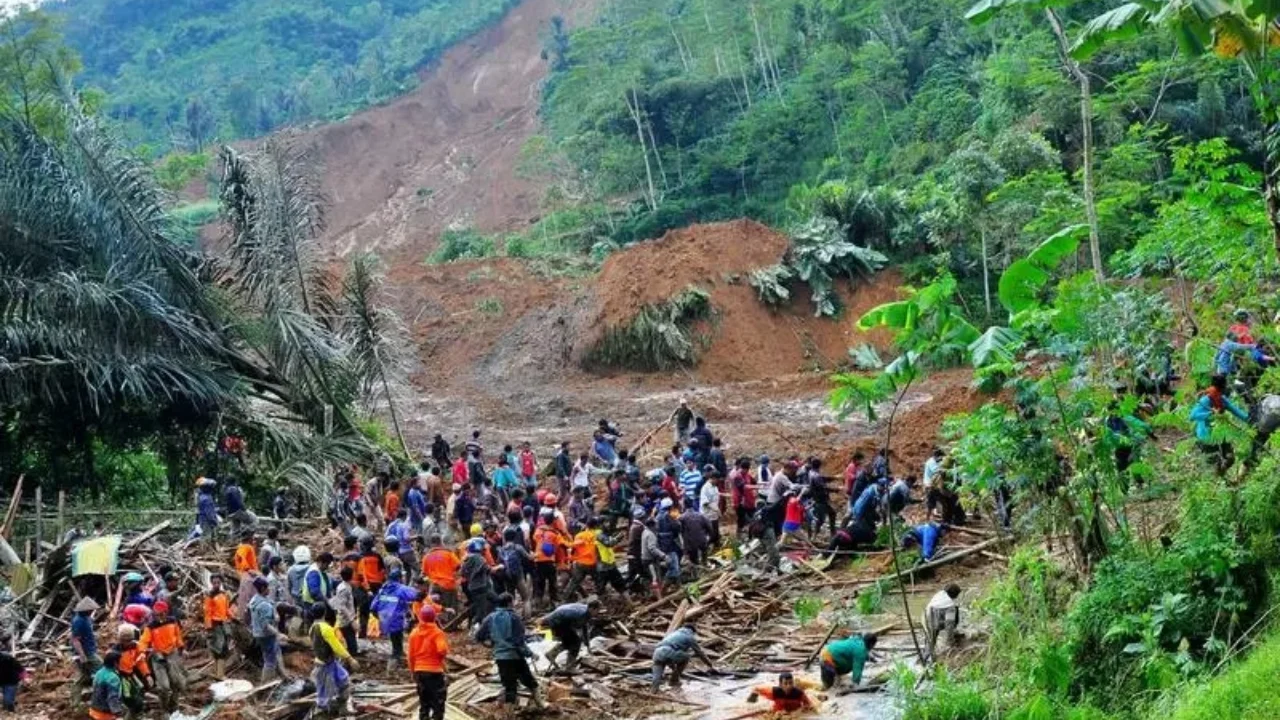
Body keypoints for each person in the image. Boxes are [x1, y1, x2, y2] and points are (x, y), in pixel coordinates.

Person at [477, 594, 543, 710]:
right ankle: (541, 706)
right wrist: (531, 654)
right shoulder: (514, 617)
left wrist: (490, 644)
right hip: (515, 656)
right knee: (530, 681)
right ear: (509, 603)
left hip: (501, 658)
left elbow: (478, 636)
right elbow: (519, 642)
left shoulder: (490, 618)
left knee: (509, 686)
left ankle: (509, 712)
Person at [1191, 373, 1250, 473]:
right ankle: (1217, 480)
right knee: (1214, 464)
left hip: (1221, 434)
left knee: (1230, 458)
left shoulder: (1222, 400)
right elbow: (1193, 416)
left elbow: (1236, 411)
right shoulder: (1206, 400)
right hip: (1207, 436)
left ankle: (1222, 476)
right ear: (1222, 387)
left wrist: (1250, 420)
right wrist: (1211, 412)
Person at [309, 603, 358, 718]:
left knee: (343, 679)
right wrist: (350, 659)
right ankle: (322, 714)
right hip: (325, 664)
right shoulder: (326, 628)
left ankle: (342, 707)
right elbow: (336, 646)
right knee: (324, 693)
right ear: (325, 613)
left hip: (329, 662)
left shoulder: (312, 627)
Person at [140, 599, 186, 712]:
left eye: (162, 614)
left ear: (166, 612)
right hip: (158, 657)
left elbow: (178, 635)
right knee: (164, 687)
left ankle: (174, 707)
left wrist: (181, 648)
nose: (159, 616)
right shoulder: (151, 627)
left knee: (176, 683)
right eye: (157, 614)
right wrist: (142, 652)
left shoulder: (173, 621)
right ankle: (164, 708)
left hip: (172, 654)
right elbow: (144, 641)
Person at [371, 568, 419, 670]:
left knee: (395, 640)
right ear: (399, 578)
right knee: (396, 643)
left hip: (385, 620)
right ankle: (392, 666)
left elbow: (373, 607)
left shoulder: (383, 589)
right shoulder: (401, 589)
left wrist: (380, 618)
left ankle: (398, 656)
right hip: (396, 620)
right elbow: (416, 596)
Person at [408, 606, 449, 720]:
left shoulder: (414, 633)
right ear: (434, 617)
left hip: (419, 671)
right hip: (434, 672)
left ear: (420, 617)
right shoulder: (437, 633)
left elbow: (410, 656)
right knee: (438, 703)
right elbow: (442, 650)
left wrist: (413, 672)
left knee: (424, 703)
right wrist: (440, 660)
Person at [650, 622, 715, 691]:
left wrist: (674, 668)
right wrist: (710, 664)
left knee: (657, 675)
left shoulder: (674, 633)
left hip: (657, 653)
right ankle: (673, 681)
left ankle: (653, 690)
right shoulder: (689, 636)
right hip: (669, 652)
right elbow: (699, 652)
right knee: (686, 657)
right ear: (692, 631)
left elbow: (668, 656)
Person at [541, 600, 594, 673]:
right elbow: (566, 619)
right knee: (576, 642)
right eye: (597, 610)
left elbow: (584, 628)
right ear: (592, 608)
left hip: (559, 620)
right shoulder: (581, 614)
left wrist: (587, 645)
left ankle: (551, 654)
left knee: (570, 641)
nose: (598, 613)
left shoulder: (587, 612)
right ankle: (569, 667)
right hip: (557, 621)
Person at [249, 576, 285, 682]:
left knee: (276, 652)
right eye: (267, 587)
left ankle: (284, 675)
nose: (269, 589)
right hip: (266, 635)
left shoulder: (255, 599)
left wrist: (275, 613)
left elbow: (271, 605)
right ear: (263, 588)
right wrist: (278, 634)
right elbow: (266, 625)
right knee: (270, 660)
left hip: (258, 632)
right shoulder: (263, 605)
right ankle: (265, 684)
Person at [69, 596, 102, 708]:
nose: (93, 611)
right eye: (91, 610)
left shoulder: (86, 618)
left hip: (90, 649)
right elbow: (75, 640)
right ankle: (98, 699)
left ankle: (75, 703)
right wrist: (82, 655)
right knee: (101, 670)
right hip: (86, 652)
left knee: (83, 676)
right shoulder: (78, 621)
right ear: (86, 610)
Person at [460, 539, 497, 627]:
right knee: (482, 611)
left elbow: (462, 573)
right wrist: (499, 567)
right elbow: (489, 570)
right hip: (480, 587)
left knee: (494, 600)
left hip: (473, 587)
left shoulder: (466, 558)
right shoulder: (479, 558)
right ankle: (476, 628)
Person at [422, 535, 462, 614]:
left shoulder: (426, 557)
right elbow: (458, 566)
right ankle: (452, 624)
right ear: (441, 542)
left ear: (431, 544)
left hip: (433, 586)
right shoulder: (448, 553)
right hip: (448, 585)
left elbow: (424, 573)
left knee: (435, 610)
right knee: (451, 609)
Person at [531, 513, 564, 608]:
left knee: (540, 582)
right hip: (549, 560)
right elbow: (557, 548)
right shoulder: (555, 533)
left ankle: (538, 604)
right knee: (552, 581)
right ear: (553, 521)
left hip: (538, 559)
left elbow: (535, 539)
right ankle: (553, 603)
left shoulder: (538, 530)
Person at [923, 584, 962, 660]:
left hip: (929, 618)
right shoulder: (950, 605)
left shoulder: (939, 594)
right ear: (954, 594)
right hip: (938, 619)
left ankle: (925, 658)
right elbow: (949, 624)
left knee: (930, 643)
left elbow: (927, 611)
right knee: (955, 612)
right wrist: (951, 642)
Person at [564, 517, 601, 598]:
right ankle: (601, 596)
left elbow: (573, 549)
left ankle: (565, 597)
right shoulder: (596, 535)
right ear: (596, 526)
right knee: (598, 580)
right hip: (592, 563)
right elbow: (599, 550)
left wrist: (571, 560)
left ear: (587, 525)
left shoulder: (579, 535)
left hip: (580, 563)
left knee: (574, 582)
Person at [203, 575, 232, 678]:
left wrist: (233, 617)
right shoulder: (209, 596)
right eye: (214, 583)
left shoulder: (223, 595)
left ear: (221, 583)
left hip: (223, 623)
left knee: (222, 648)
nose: (216, 585)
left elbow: (226, 609)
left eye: (218, 582)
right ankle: (220, 674)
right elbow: (207, 613)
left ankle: (217, 672)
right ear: (211, 583)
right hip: (215, 625)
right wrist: (209, 628)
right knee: (219, 649)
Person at [747, 671, 816, 713]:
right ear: (780, 684)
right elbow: (756, 689)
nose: (789, 686)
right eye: (785, 683)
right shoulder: (774, 692)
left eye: (791, 683)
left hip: (794, 714)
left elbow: (809, 706)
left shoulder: (799, 694)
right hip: (778, 713)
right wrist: (753, 697)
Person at [331, 566, 360, 656]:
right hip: (346, 620)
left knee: (351, 641)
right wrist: (352, 621)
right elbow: (341, 606)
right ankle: (351, 661)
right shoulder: (344, 589)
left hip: (347, 618)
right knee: (351, 644)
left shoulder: (345, 586)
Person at [89, 651, 126, 720]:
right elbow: (112, 697)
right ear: (115, 663)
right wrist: (118, 714)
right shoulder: (113, 678)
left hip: (94, 710)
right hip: (105, 714)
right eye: (120, 661)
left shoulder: (99, 672)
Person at [656, 498, 683, 589]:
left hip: (661, 544)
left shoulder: (657, 516)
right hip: (669, 544)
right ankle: (664, 587)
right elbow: (677, 527)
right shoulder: (667, 516)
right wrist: (678, 522)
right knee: (674, 566)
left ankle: (678, 584)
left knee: (674, 563)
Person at [678, 501, 713, 569]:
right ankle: (705, 562)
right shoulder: (701, 515)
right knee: (704, 552)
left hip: (690, 543)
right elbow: (710, 527)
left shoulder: (682, 518)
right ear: (693, 505)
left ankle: (697, 567)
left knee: (694, 559)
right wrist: (708, 536)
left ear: (684, 506)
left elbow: (679, 530)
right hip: (702, 540)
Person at [729, 458, 757, 537]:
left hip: (748, 501)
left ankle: (750, 535)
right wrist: (755, 487)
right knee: (742, 519)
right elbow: (743, 486)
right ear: (744, 468)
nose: (747, 471)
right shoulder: (737, 476)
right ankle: (740, 535)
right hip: (740, 502)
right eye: (746, 470)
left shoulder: (747, 475)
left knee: (753, 517)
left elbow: (754, 482)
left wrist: (761, 485)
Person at [0, 643, 24, 712]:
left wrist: (25, 677)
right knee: (6, 695)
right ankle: (5, 709)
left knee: (8, 697)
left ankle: (10, 710)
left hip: (11, 680)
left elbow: (19, 667)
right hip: (2, 680)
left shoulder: (7, 657)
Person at [195, 478, 219, 544]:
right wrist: (214, 521)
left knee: (206, 537)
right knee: (206, 538)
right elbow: (209, 513)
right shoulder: (206, 498)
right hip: (206, 521)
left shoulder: (202, 496)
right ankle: (204, 552)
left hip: (203, 520)